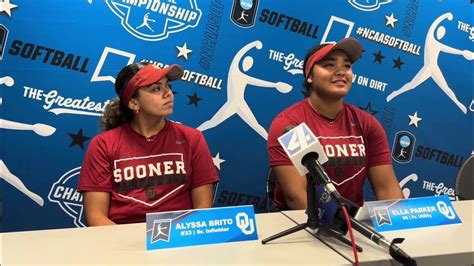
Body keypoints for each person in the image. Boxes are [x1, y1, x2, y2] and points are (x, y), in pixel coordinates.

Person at [267, 38, 404, 210]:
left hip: (352, 228)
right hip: (304, 226)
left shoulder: (366, 123)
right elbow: (297, 197)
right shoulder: (292, 125)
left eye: (346, 66)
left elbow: (387, 189)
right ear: (309, 76)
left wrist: (400, 228)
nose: (341, 71)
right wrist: (343, 228)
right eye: (329, 65)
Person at [78, 62, 219, 225]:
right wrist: (132, 247)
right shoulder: (103, 145)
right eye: (156, 89)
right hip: (120, 243)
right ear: (133, 103)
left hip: (180, 240)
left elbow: (203, 209)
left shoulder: (192, 138)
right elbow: (96, 217)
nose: (168, 94)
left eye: (168, 86)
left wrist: (172, 242)